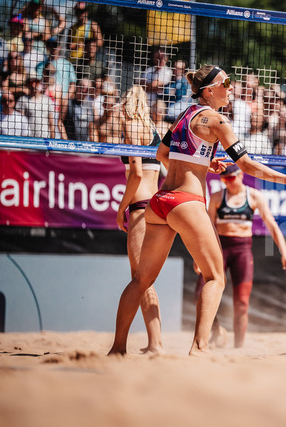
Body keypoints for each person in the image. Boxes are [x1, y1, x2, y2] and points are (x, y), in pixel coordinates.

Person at [108, 65, 286, 356]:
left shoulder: (185, 114)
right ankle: (199, 347)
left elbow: (162, 154)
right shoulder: (218, 120)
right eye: (226, 82)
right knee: (216, 278)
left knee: (141, 280)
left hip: (159, 201)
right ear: (209, 90)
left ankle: (117, 349)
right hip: (186, 202)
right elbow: (246, 165)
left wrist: (202, 164)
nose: (231, 87)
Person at [195, 163, 286, 348]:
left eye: (230, 178)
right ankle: (216, 330)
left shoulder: (254, 196)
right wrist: (198, 255)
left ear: (240, 175)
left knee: (241, 302)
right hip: (219, 248)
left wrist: (285, 253)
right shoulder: (217, 196)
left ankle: (238, 348)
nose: (227, 182)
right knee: (200, 292)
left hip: (242, 250)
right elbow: (207, 228)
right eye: (224, 179)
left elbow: (272, 225)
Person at [114, 85, 164, 354]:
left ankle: (147, 344)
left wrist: (120, 208)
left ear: (127, 105)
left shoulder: (132, 128)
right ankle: (154, 343)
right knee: (144, 278)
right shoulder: (153, 130)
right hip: (154, 207)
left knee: (140, 278)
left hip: (141, 207)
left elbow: (135, 174)